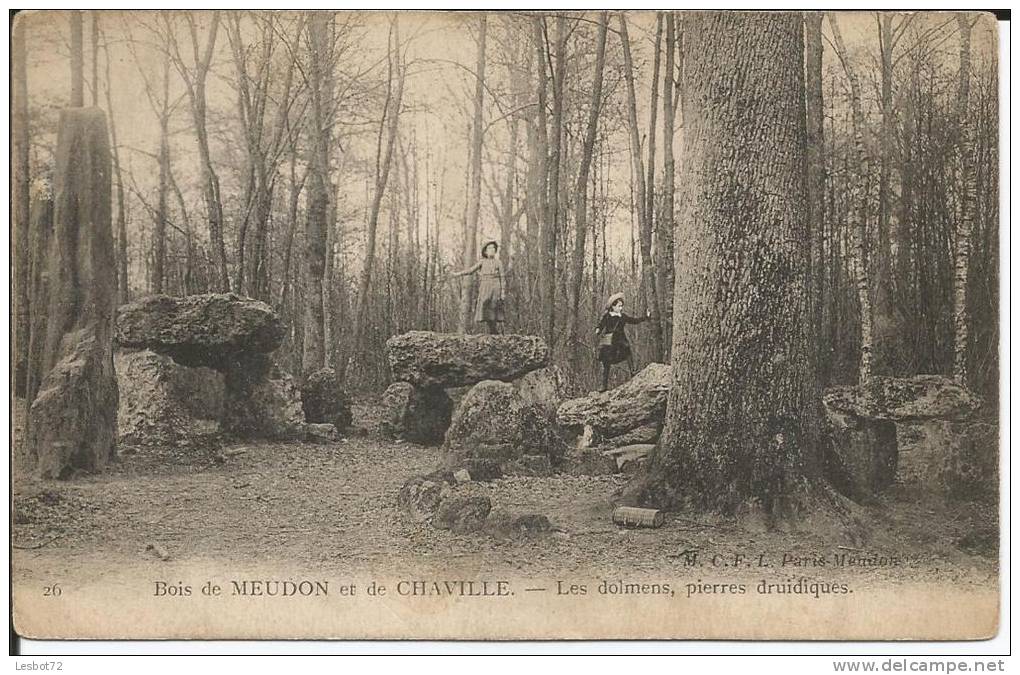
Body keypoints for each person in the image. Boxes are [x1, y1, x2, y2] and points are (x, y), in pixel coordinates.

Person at [595, 293, 650, 392]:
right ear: (613, 306)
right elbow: (601, 325)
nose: (621, 308)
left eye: (621, 306)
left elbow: (634, 320)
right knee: (606, 363)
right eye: (619, 306)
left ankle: (633, 372)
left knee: (628, 353)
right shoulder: (607, 316)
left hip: (620, 341)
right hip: (609, 341)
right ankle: (604, 386)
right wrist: (598, 330)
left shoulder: (622, 316)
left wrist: (645, 317)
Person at [449, 240, 505, 334]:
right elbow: (470, 270)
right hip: (485, 286)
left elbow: (502, 277)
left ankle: (494, 331)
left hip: (496, 286)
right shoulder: (482, 262)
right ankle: (492, 330)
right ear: (485, 251)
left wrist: (503, 292)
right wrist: (457, 274)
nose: (492, 250)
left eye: (493, 248)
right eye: (490, 248)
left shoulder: (498, 262)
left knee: (494, 306)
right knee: (484, 305)